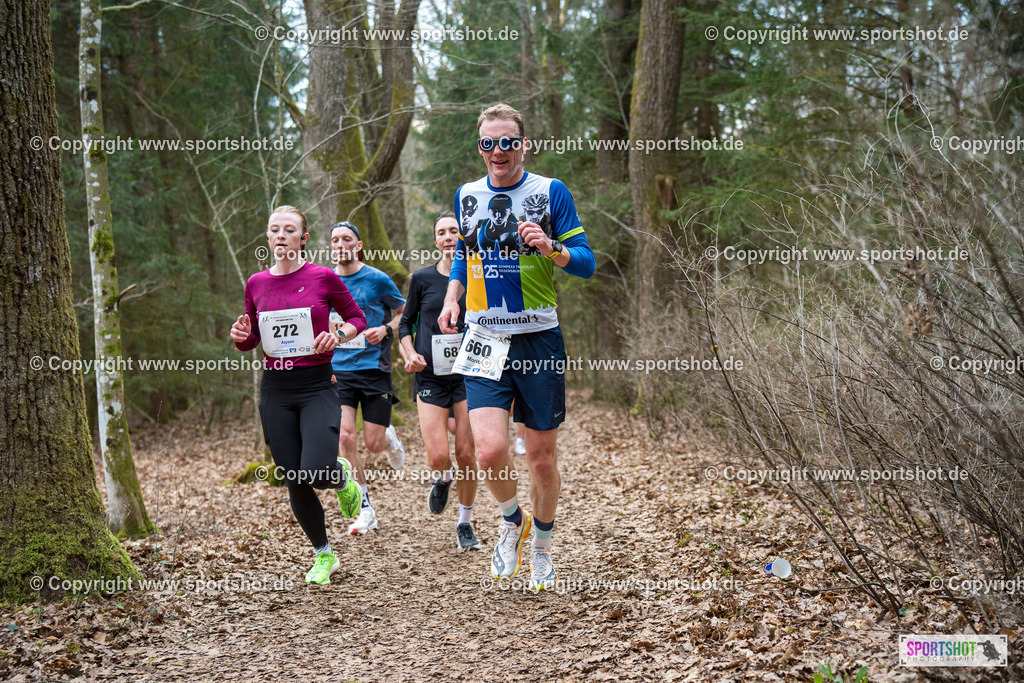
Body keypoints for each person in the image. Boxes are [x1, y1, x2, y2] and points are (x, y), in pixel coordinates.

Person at [439, 104, 596, 590]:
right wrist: (451, 295)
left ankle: (543, 550)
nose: (498, 151)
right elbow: (466, 253)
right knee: (488, 451)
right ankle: (513, 520)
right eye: (489, 143)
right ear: (479, 147)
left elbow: (587, 262)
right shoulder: (467, 195)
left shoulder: (550, 193)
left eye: (507, 142)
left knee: (542, 459)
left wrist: (552, 248)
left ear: (523, 144)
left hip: (538, 338)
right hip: (484, 337)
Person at [230, 206, 367, 585]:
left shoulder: (323, 278)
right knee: (294, 476)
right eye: (274, 230)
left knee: (317, 469)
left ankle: (341, 479)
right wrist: (242, 338)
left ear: (303, 238)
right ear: (268, 237)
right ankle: (324, 555)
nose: (280, 236)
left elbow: (358, 319)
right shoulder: (256, 283)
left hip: (317, 385)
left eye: (289, 230)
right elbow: (253, 336)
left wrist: (337, 336)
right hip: (276, 389)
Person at [398, 211, 481, 550]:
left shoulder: (477, 278)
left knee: (465, 453)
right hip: (431, 376)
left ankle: (465, 522)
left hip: (469, 375)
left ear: (462, 238)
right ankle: (443, 478)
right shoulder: (421, 278)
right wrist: (409, 354)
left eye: (454, 232)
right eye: (442, 233)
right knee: (438, 457)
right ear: (435, 241)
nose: (448, 237)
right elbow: (404, 325)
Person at [329, 221, 407, 535]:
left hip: (374, 370)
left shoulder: (377, 279)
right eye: (335, 239)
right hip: (338, 371)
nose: (340, 244)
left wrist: (387, 328)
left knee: (373, 444)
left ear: (358, 245)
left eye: (347, 238)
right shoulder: (324, 279)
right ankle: (365, 509)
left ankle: (390, 440)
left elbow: (406, 311)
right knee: (345, 438)